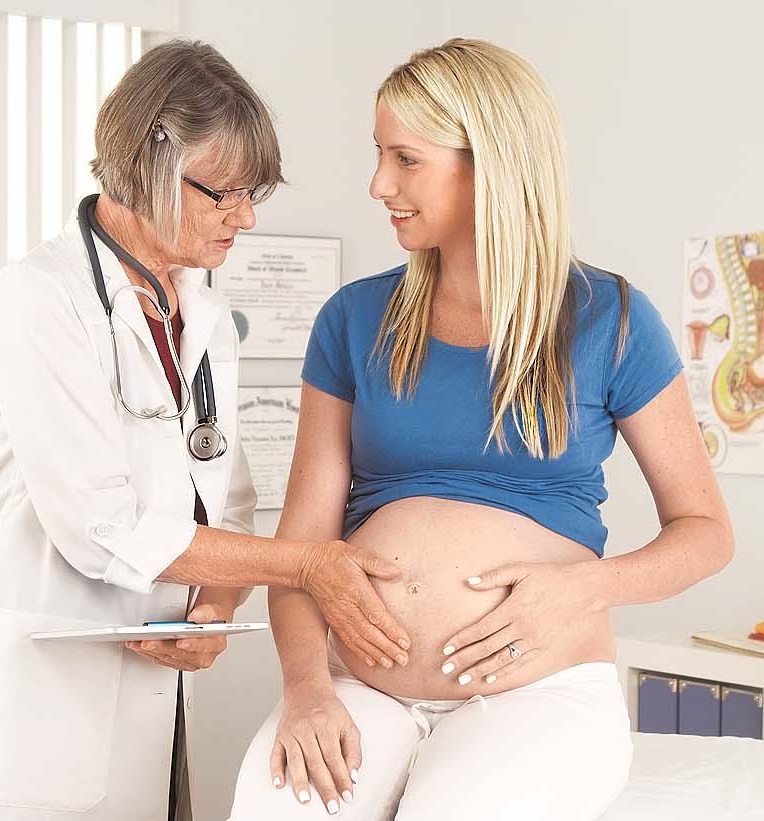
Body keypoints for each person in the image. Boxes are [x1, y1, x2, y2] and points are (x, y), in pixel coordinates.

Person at [229, 39, 735, 820]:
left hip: (539, 686)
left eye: (405, 159)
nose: (378, 184)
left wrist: (583, 588)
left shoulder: (611, 320)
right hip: (361, 683)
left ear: (490, 163)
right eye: (379, 155)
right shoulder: (353, 318)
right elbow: (301, 549)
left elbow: (705, 532)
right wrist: (306, 689)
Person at [0, 39, 412, 821]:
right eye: (225, 193)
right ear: (150, 163)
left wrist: (215, 605)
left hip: (145, 684)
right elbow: (100, 526)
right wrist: (307, 565)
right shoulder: (38, 298)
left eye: (252, 192)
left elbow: (228, 501)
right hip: (35, 682)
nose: (245, 217)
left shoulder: (202, 312)